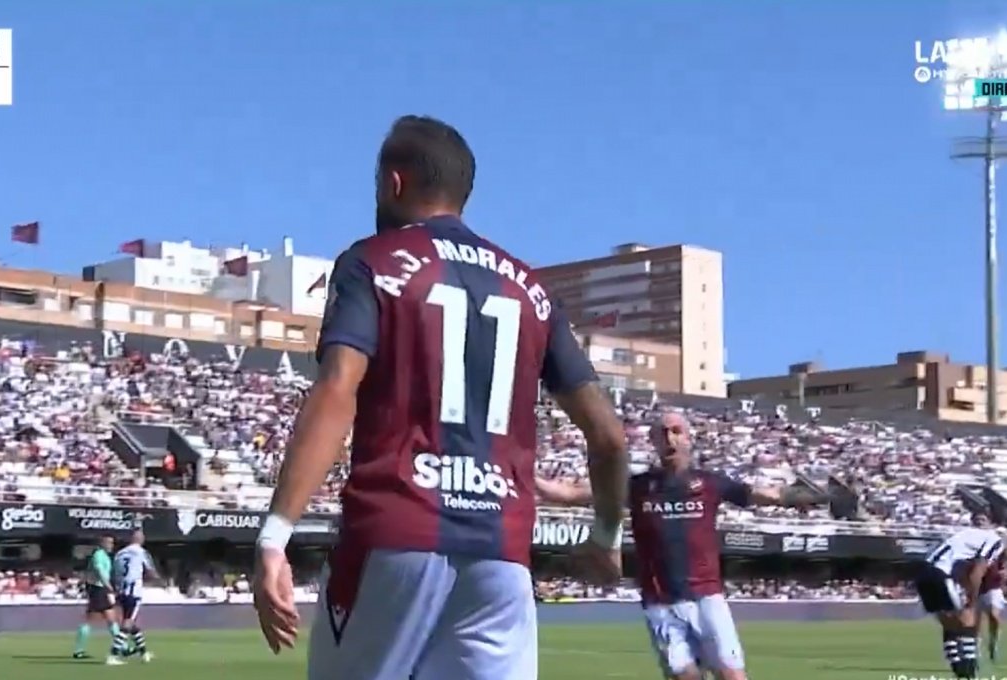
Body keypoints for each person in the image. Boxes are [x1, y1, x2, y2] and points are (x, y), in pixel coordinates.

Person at [251, 114, 630, 680]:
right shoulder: (530, 289)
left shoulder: (370, 262)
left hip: (396, 535)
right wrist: (605, 536)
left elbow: (338, 388)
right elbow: (608, 437)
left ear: (393, 183)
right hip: (502, 556)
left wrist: (274, 535)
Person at [536, 411, 827, 680]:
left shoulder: (711, 483)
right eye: (661, 433)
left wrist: (818, 495)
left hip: (707, 598)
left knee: (732, 675)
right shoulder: (637, 487)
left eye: (676, 431)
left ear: (688, 438)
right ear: (653, 443)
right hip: (661, 603)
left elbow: (770, 494)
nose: (669, 438)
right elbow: (570, 494)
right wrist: (524, 473)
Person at [914, 512, 1005, 679]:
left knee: (949, 624)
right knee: (966, 621)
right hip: (940, 574)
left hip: (923, 573)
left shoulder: (964, 534)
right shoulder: (994, 540)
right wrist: (972, 599)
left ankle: (959, 670)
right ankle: (969, 671)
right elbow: (977, 572)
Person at [110, 529, 158, 664]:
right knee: (128, 623)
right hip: (133, 591)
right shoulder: (141, 552)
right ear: (139, 538)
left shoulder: (120, 553)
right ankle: (113, 655)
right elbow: (151, 571)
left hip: (121, 591)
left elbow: (115, 573)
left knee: (132, 624)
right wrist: (157, 580)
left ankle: (143, 653)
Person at [72, 535, 122, 660]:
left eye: (112, 543)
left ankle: (121, 646)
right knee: (98, 618)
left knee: (109, 618)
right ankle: (122, 646)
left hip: (98, 589)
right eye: (109, 543)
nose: (111, 545)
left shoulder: (104, 555)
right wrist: (108, 586)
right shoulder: (99, 554)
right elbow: (100, 572)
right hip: (98, 588)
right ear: (102, 543)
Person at [977, 549, 1007, 662]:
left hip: (993, 587)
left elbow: (1004, 568)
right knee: (976, 622)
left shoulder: (999, 552)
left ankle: (993, 643)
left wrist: (1003, 576)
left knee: (994, 615)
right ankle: (976, 649)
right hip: (975, 588)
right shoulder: (974, 551)